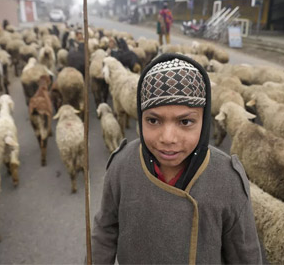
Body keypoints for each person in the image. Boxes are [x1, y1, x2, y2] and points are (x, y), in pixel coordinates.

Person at [92, 53, 262, 264]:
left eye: (185, 122)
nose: (168, 138)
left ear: (204, 120)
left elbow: (244, 255)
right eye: (153, 120)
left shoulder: (227, 180)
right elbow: (105, 231)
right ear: (140, 117)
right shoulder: (122, 166)